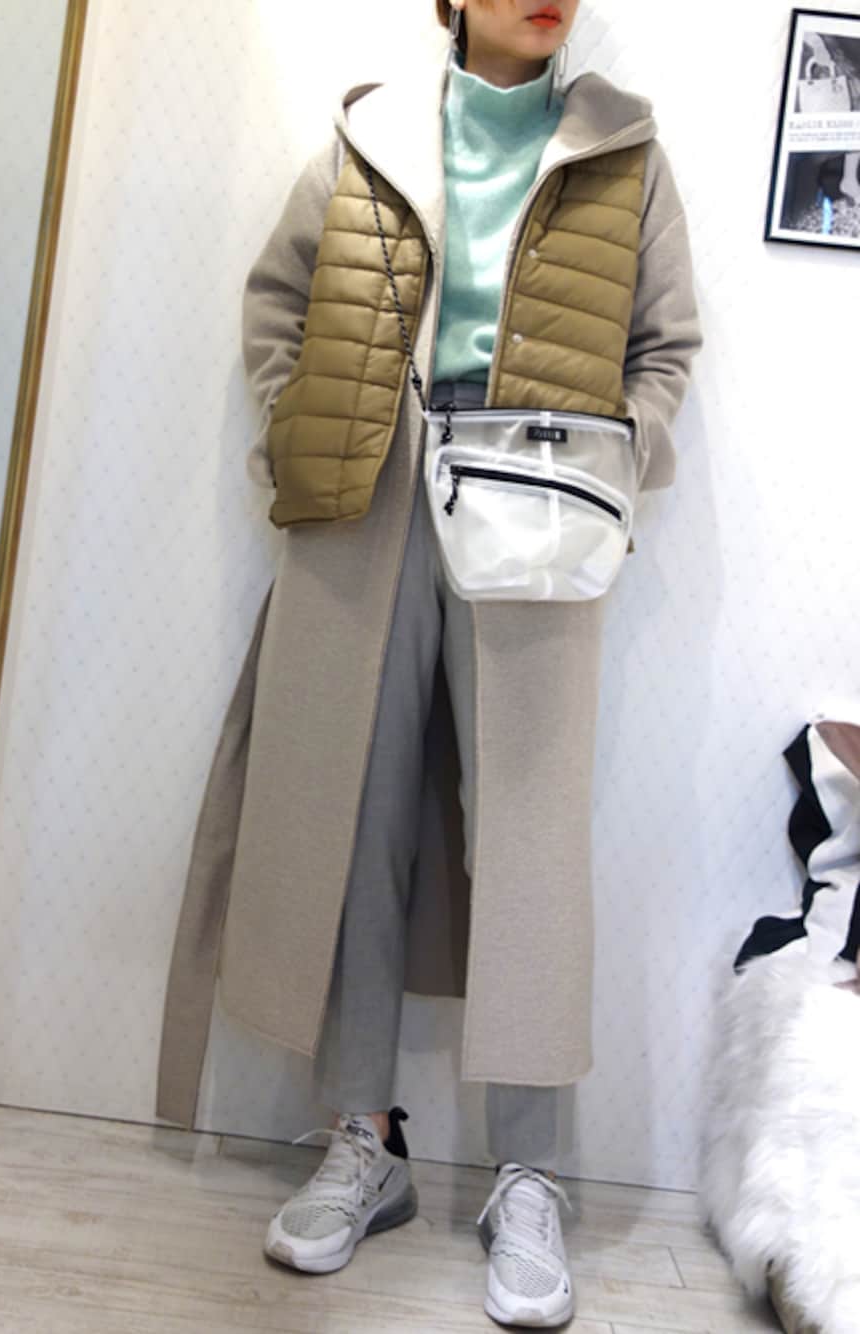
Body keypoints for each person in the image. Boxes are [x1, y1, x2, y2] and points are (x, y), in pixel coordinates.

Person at [156, 1, 702, 1328]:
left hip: (539, 512)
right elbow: (278, 302)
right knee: (355, 818)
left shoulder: (625, 151)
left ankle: (529, 1173)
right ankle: (367, 1139)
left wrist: (614, 464)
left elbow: (665, 348)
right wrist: (299, 430)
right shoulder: (372, 136)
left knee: (528, 842)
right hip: (375, 502)